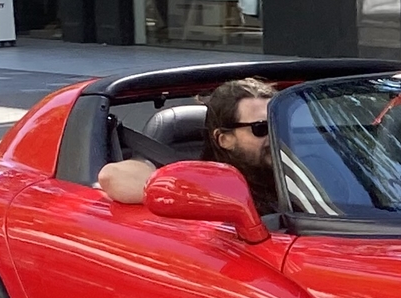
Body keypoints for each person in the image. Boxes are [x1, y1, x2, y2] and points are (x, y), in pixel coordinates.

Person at [98, 75, 278, 215]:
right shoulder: (212, 184)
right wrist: (194, 194)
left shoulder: (295, 169)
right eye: (261, 128)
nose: (274, 136)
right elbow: (111, 176)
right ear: (224, 139)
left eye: (279, 125)